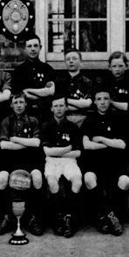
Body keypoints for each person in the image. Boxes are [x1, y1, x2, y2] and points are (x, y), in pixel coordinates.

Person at [81, 88, 129, 236]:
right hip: (95, 162)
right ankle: (106, 217)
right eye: (99, 99)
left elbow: (122, 144)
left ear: (110, 100)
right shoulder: (89, 120)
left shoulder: (118, 119)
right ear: (95, 102)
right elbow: (86, 145)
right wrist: (111, 142)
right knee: (89, 178)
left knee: (125, 181)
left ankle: (110, 214)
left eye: (106, 98)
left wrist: (102, 139)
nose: (102, 102)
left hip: (115, 162)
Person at [0, 94, 44, 236]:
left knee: (37, 178)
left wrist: (15, 139)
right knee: (2, 178)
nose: (18, 105)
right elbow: (4, 145)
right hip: (9, 160)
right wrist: (26, 143)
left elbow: (36, 143)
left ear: (26, 104)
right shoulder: (6, 121)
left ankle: (34, 218)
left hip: (30, 160)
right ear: (11, 105)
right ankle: (6, 217)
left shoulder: (33, 120)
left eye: (21, 102)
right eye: (15, 102)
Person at [41, 96, 83, 238]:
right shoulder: (46, 126)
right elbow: (47, 151)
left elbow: (78, 152)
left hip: (69, 162)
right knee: (53, 184)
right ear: (51, 108)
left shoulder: (73, 127)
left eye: (61, 105)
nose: (58, 109)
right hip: (52, 162)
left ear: (66, 107)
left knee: (77, 182)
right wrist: (68, 148)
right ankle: (57, 219)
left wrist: (60, 151)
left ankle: (70, 218)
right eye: (56, 106)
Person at [12, 34, 56, 120]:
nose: (33, 49)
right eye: (29, 46)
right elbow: (19, 94)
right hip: (25, 115)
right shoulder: (18, 71)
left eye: (35, 46)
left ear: (40, 47)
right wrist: (42, 93)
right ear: (25, 49)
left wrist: (28, 90)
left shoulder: (48, 69)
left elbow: (50, 92)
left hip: (45, 115)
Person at [56, 48, 94, 127]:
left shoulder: (87, 82)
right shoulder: (59, 82)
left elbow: (87, 104)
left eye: (74, 58)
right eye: (68, 59)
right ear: (65, 62)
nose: (71, 61)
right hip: (63, 119)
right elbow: (57, 105)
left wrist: (65, 100)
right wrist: (79, 104)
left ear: (81, 61)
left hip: (83, 119)